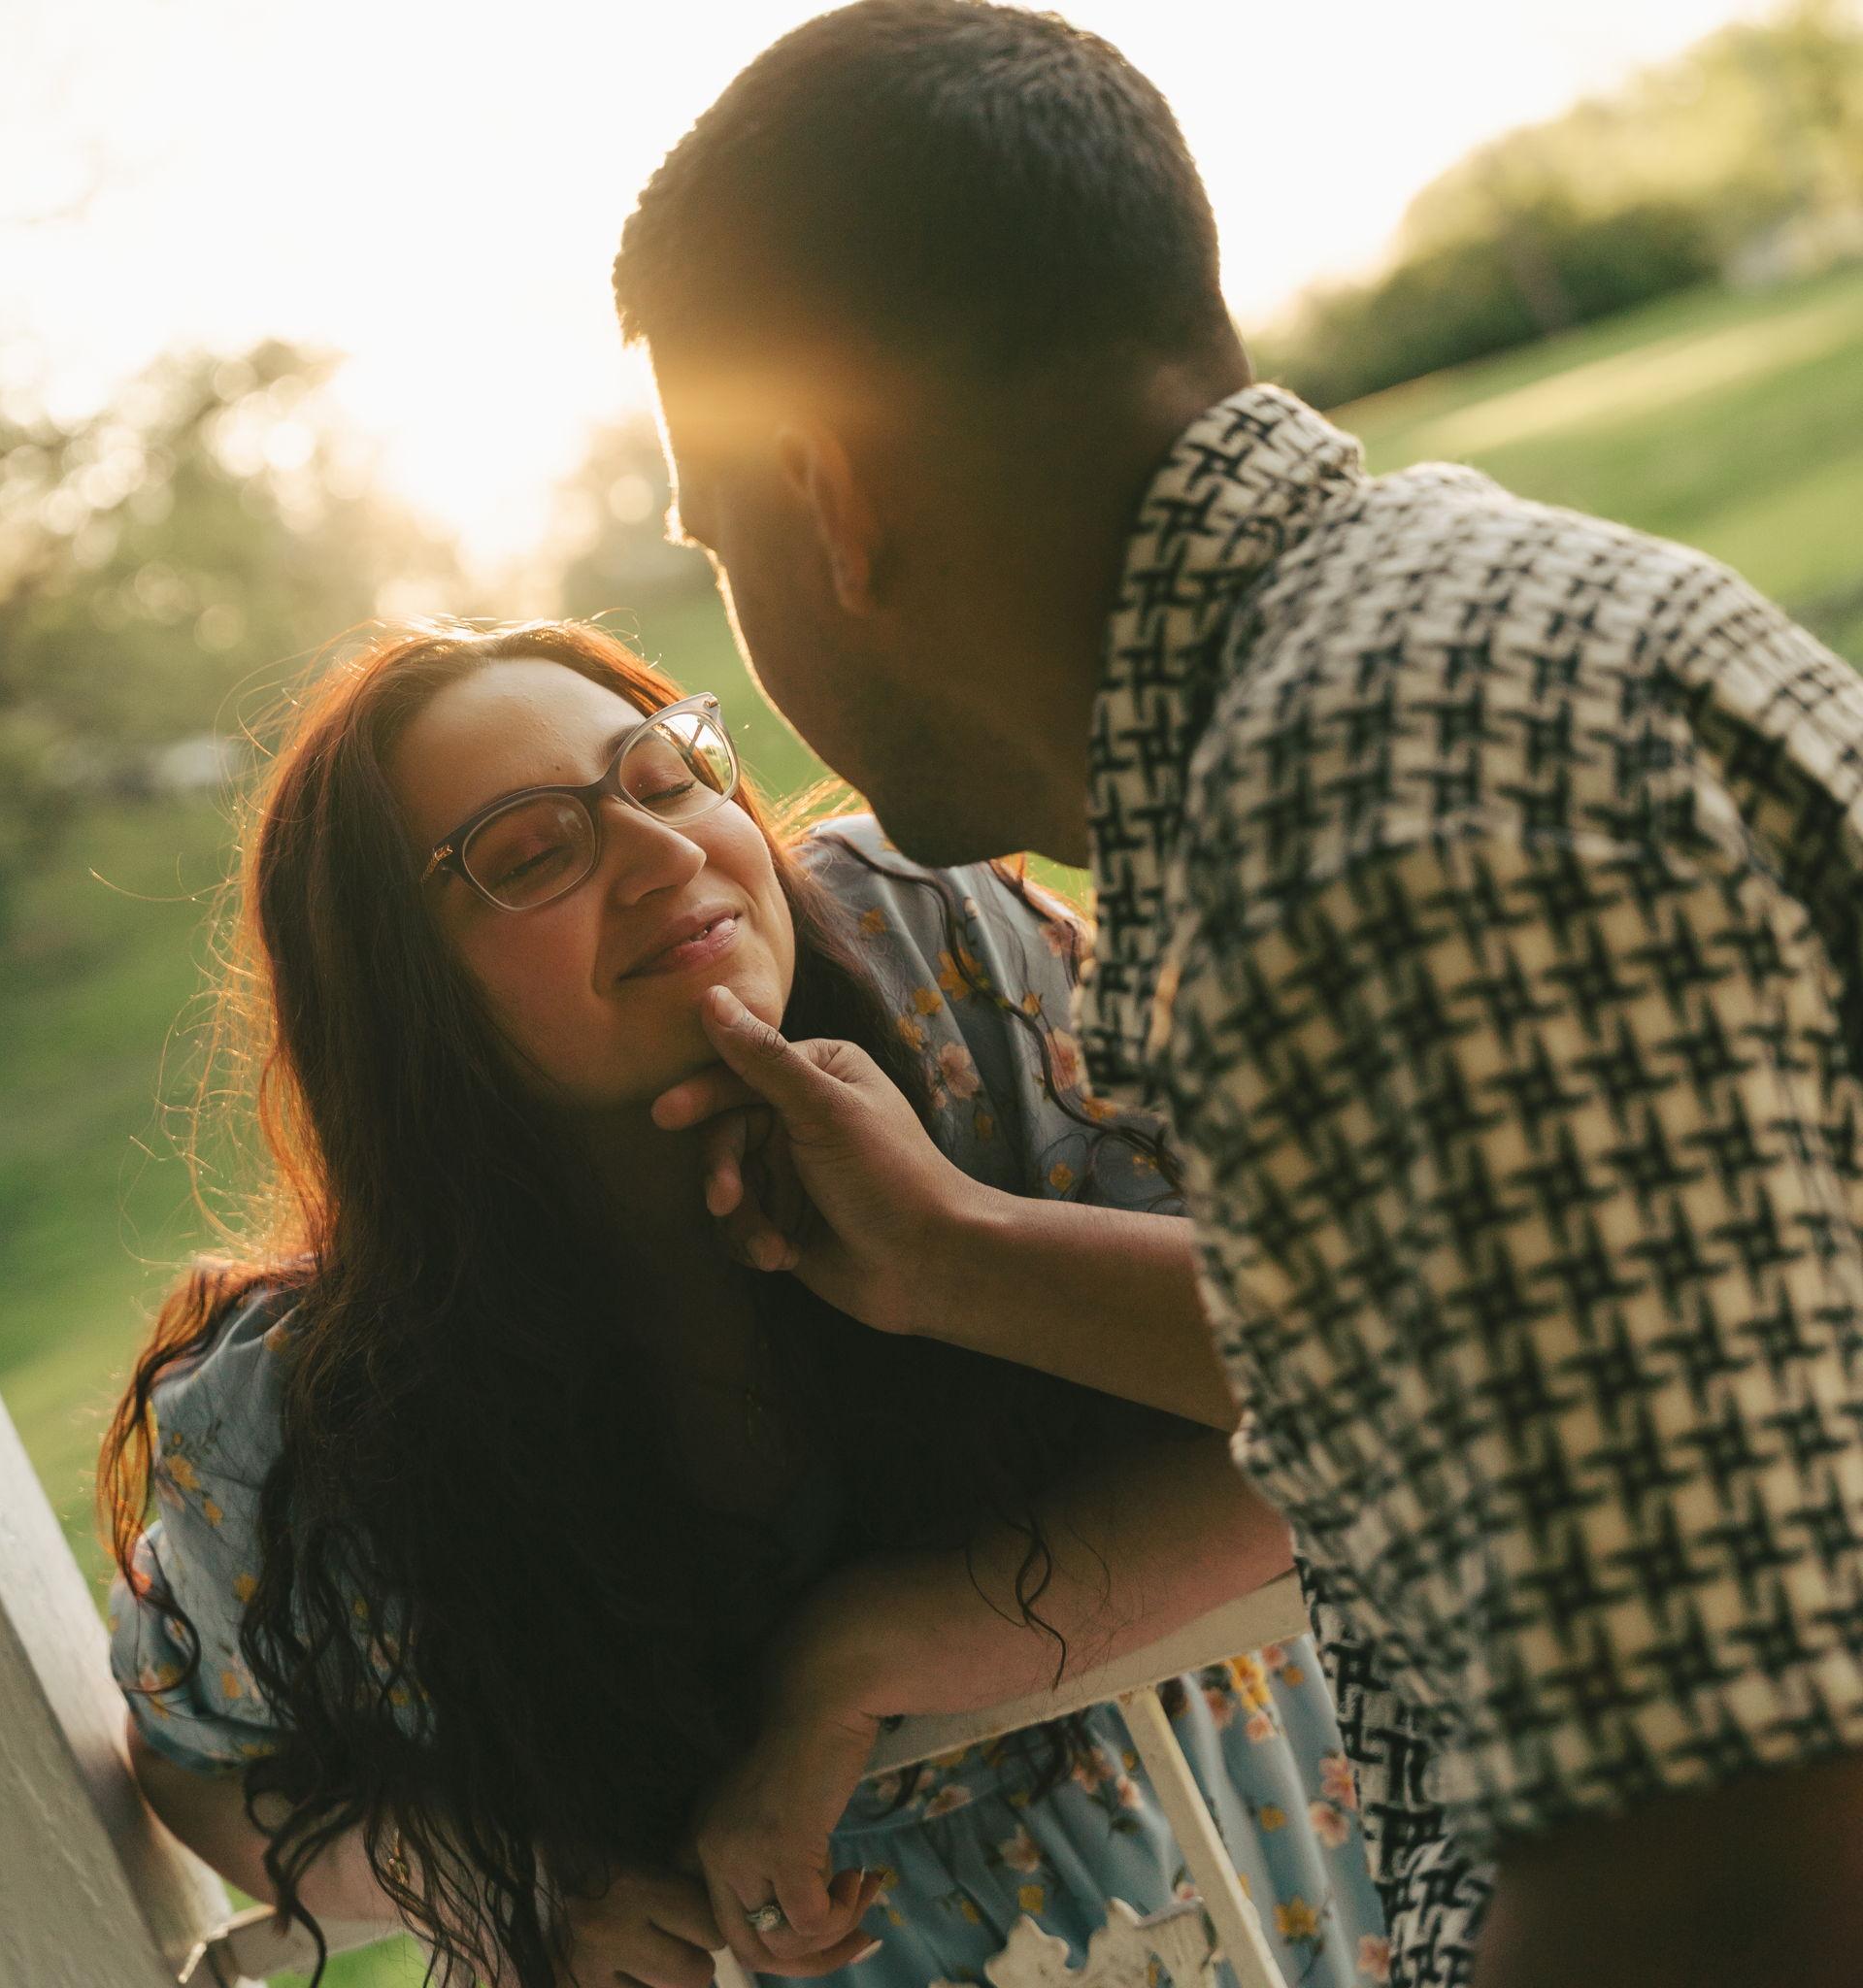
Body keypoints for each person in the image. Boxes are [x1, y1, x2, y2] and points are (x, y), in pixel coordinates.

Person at [609, 4, 1863, 1985]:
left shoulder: (1360, 826)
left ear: (828, 496)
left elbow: (1726, 1860)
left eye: (715, 545)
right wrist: (948, 1258)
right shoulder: (1428, 638)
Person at [101, 619, 1391, 1988]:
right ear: (400, 1002)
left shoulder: (937, 956)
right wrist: (511, 1875)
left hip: (1291, 1894)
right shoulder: (310, 1419)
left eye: (666, 777)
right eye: (532, 856)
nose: (665, 854)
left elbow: (1397, 1393)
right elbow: (203, 1769)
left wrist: (950, 1273)